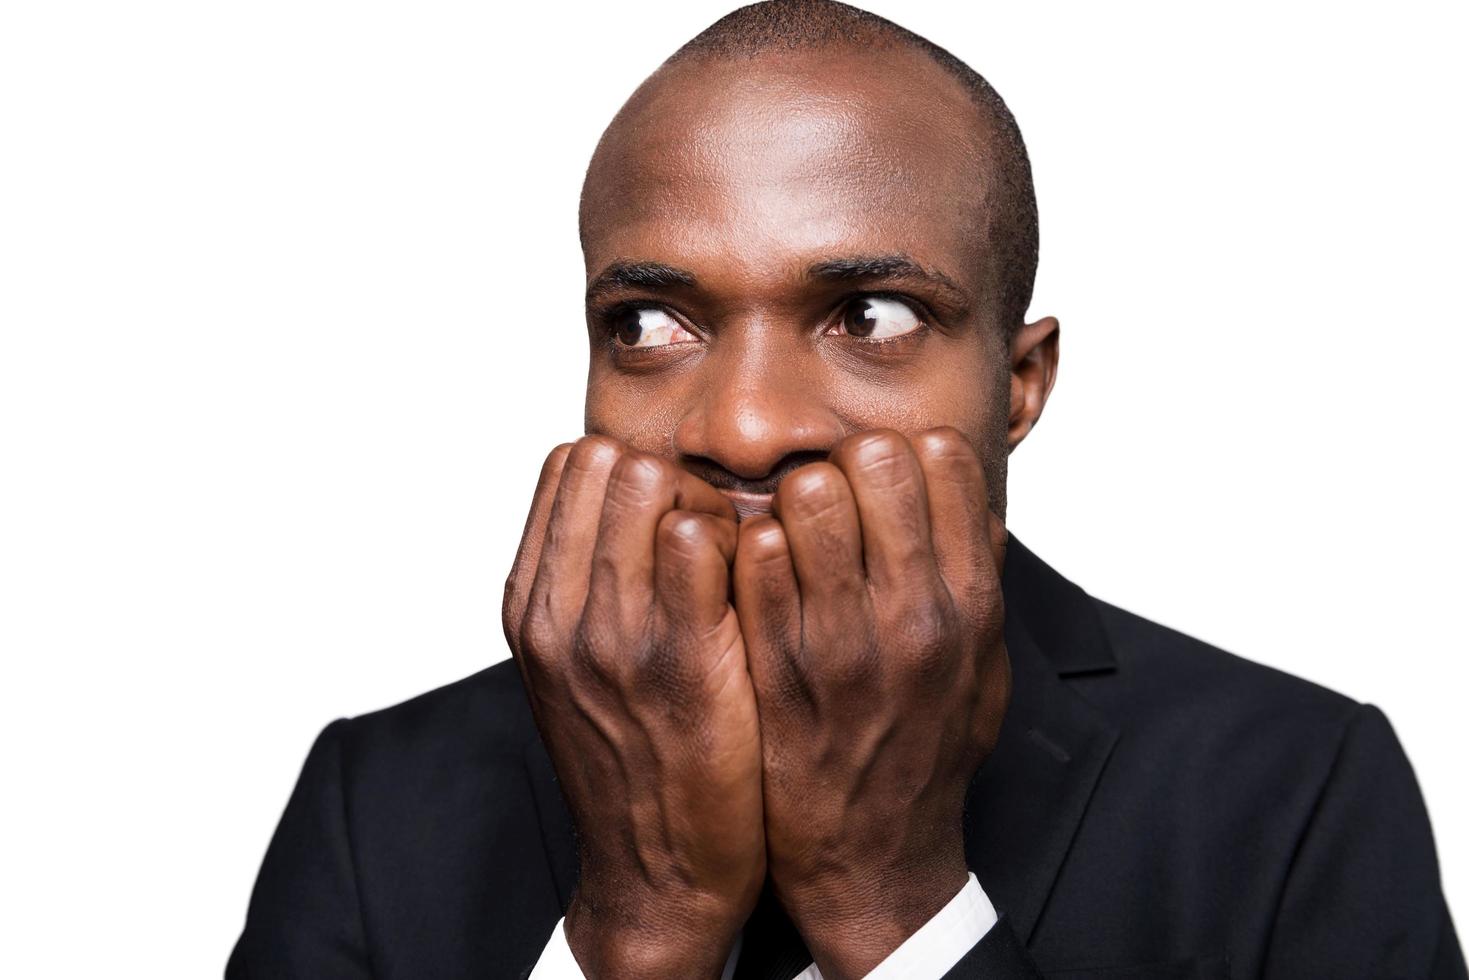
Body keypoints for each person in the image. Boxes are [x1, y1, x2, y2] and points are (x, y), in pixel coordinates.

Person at [227, 2, 1465, 977]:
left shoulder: (1291, 789)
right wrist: (641, 929)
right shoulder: (374, 802)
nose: (746, 426)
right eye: (649, 322)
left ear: (1017, 385)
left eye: (867, 315)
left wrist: (895, 907)